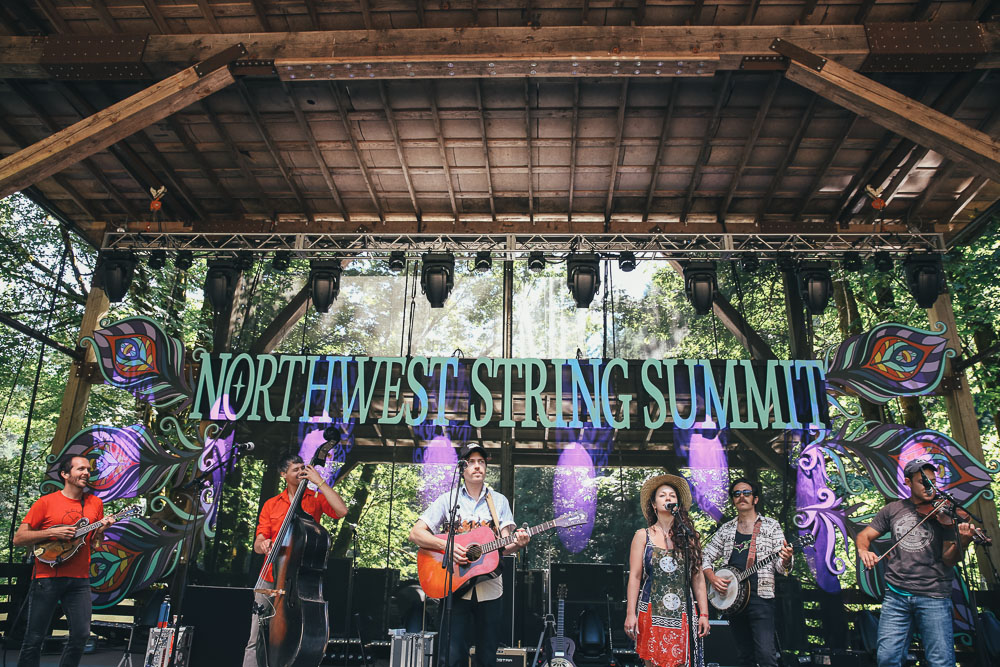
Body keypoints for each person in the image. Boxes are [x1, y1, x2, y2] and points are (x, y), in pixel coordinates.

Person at [408, 443, 530, 667]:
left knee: (487, 656)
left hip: (490, 587)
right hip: (454, 585)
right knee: (452, 656)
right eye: (471, 462)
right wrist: (447, 547)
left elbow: (505, 545)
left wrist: (518, 543)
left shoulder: (499, 501)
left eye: (481, 462)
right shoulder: (448, 500)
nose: (477, 466)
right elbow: (415, 533)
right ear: (462, 468)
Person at [855, 458, 974, 667]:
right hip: (896, 595)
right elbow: (864, 535)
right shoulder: (893, 509)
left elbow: (949, 559)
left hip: (933, 596)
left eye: (933, 481)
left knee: (940, 661)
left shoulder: (945, 513)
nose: (930, 487)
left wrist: (963, 542)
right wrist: (863, 551)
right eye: (923, 482)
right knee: (887, 658)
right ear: (908, 482)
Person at [243, 452, 349, 667]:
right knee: (255, 637)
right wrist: (263, 544)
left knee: (296, 636)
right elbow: (258, 541)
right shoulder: (271, 504)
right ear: (283, 474)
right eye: (296, 469)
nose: (301, 471)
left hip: (297, 581)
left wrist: (319, 482)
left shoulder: (315, 499)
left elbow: (341, 511)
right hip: (270, 575)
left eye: (303, 468)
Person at [13, 455, 115, 667]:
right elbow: (19, 539)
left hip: (79, 580)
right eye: (80, 469)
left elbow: (94, 542)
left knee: (81, 635)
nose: (86, 473)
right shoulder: (46, 502)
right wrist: (52, 532)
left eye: (88, 469)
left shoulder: (95, 503)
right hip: (46, 578)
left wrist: (101, 530)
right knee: (34, 638)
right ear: (65, 474)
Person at [701, 478, 793, 667]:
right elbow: (704, 556)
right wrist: (712, 577)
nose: (741, 496)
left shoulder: (771, 526)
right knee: (744, 657)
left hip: (761, 598)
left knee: (766, 655)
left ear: (755, 499)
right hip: (733, 600)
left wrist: (786, 559)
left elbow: (780, 567)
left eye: (746, 493)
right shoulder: (726, 529)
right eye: (737, 494)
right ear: (734, 500)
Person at [625, 473, 710, 667]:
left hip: (683, 611)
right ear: (654, 505)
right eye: (662, 495)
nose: (668, 498)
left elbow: (697, 578)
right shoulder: (642, 535)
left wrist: (704, 613)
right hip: (650, 608)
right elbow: (635, 577)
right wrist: (631, 614)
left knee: (682, 662)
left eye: (672, 495)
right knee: (652, 663)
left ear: (678, 505)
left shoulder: (689, 537)